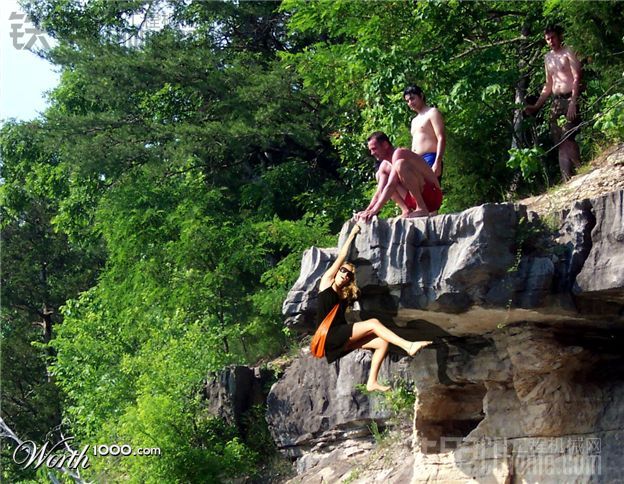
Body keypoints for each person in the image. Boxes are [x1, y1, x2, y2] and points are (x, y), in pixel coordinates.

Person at [316, 223, 431, 392]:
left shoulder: (344, 295)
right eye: (342, 271)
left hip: (338, 340)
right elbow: (341, 257)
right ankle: (408, 346)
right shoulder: (326, 283)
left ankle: (372, 382)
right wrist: (353, 234)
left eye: (348, 274)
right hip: (330, 336)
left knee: (381, 343)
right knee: (373, 323)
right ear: (337, 272)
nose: (344, 275)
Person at [525, 24, 582, 181]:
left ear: (559, 36)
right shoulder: (548, 58)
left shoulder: (568, 51)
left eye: (553, 37)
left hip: (570, 97)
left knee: (568, 136)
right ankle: (566, 179)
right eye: (548, 39)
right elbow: (548, 84)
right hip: (556, 101)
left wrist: (573, 102)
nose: (551, 41)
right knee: (559, 142)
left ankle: (581, 169)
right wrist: (536, 105)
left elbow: (577, 77)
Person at [356, 132, 442, 222]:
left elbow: (391, 185)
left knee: (400, 164)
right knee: (380, 175)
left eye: (374, 149)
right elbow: (380, 192)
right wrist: (367, 211)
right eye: (371, 150)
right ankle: (405, 210)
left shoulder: (400, 153)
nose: (372, 153)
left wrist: (375, 211)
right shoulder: (384, 166)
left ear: (385, 145)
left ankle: (421, 208)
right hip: (412, 199)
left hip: (433, 197)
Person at [404, 85, 446, 183]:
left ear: (421, 96)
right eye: (407, 101)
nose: (410, 103)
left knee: (430, 193)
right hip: (415, 160)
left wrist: (438, 162)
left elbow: (441, 137)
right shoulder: (414, 121)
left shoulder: (432, 112)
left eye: (412, 98)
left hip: (430, 158)